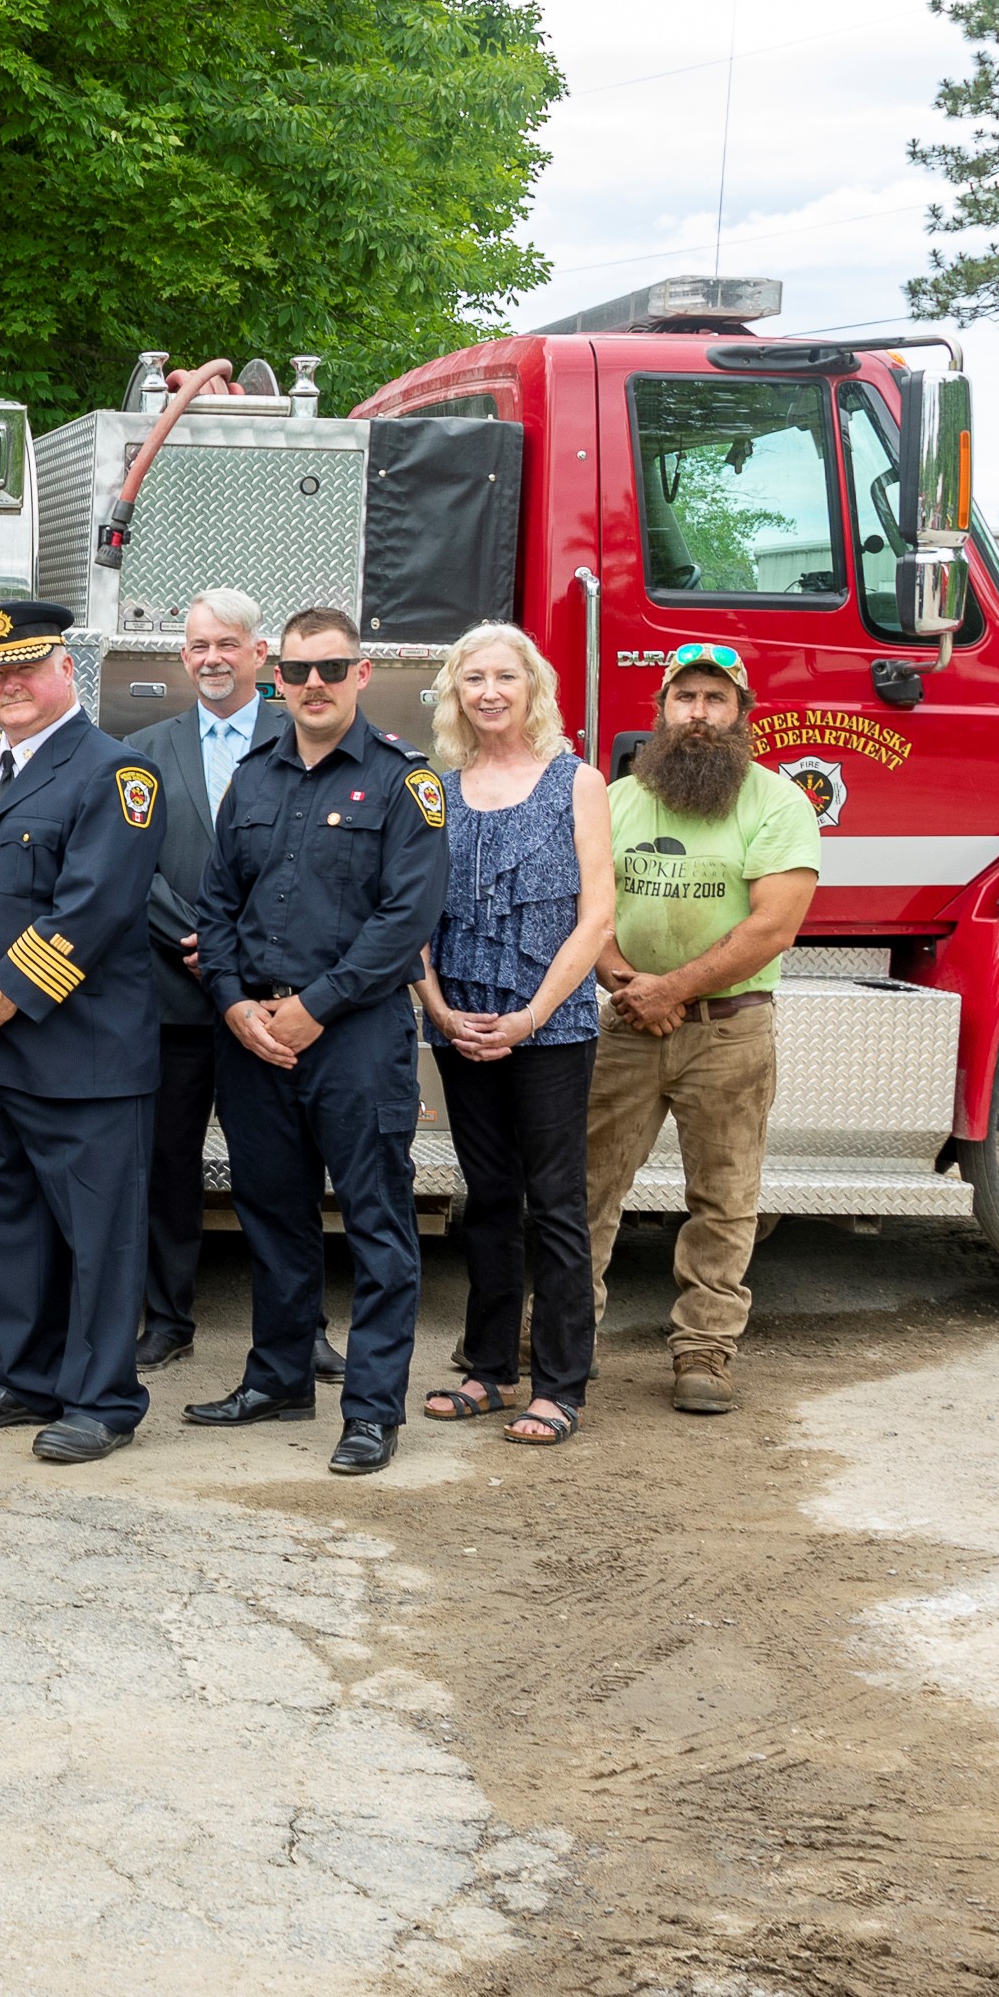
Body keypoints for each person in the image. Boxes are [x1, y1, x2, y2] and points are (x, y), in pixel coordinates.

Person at [178, 606, 451, 1477]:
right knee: (271, 1217)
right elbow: (215, 906)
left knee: (376, 1225)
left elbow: (407, 918)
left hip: (355, 1038)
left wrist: (317, 1007)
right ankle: (281, 1376)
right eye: (298, 673)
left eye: (332, 669)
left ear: (361, 674)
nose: (315, 686)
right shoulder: (252, 777)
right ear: (277, 680)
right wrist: (232, 1006)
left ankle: (372, 1409)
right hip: (254, 1037)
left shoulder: (408, 781)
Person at [0, 600, 162, 1464]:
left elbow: (95, 908)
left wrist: (3, 992)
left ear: (64, 673)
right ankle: (26, 1376)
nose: (8, 685)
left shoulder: (115, 773)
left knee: (97, 1236)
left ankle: (103, 1398)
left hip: (81, 1055)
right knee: (6, 1226)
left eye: (25, 669)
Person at [580, 644, 818, 1416]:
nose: (699, 715)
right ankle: (559, 1333)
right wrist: (626, 982)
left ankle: (704, 1352)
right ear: (661, 712)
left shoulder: (778, 803)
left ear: (742, 714)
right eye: (685, 698)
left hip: (729, 1031)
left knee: (723, 1197)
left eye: (716, 700)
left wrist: (671, 990)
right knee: (584, 1187)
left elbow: (773, 928)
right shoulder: (615, 800)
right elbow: (587, 911)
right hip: (625, 1022)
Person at [411, 626, 614, 1447]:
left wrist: (532, 1015)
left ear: (533, 687)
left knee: (556, 1203)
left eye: (505, 677)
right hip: (461, 1026)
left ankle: (561, 1384)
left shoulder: (579, 782)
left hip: (552, 1028)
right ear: (456, 694)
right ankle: (489, 1370)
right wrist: (438, 1007)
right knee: (487, 1199)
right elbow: (412, 914)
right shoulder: (437, 790)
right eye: (473, 679)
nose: (489, 692)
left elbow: (597, 914)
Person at [117, 589, 292, 1378]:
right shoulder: (145, 750)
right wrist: (203, 944)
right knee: (168, 1167)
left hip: (273, 1000)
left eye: (228, 644)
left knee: (279, 1168)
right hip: (175, 993)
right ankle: (169, 1317)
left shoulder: (306, 737)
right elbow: (132, 864)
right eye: (198, 647)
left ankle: (296, 1326)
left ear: (260, 654)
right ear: (183, 658)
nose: (212, 658)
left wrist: (242, 951)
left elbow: (315, 870)